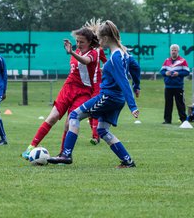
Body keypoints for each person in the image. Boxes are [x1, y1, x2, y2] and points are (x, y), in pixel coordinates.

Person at [47, 20, 141, 168]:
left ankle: (66, 154)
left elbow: (123, 80)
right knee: (102, 130)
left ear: (105, 38)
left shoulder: (116, 56)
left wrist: (133, 105)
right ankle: (127, 161)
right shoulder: (124, 53)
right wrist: (137, 85)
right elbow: (136, 67)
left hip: (108, 97)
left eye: (98, 38)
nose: (97, 42)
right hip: (117, 99)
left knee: (74, 115)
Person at [21, 26, 100, 159]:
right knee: (52, 117)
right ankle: (30, 148)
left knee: (69, 122)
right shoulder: (75, 51)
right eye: (77, 41)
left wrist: (71, 53)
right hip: (68, 89)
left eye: (82, 42)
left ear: (90, 42)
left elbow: (86, 62)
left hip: (83, 92)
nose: (78, 44)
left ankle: (64, 154)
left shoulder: (93, 53)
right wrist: (73, 52)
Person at [160, 44, 190, 124]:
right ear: (170, 51)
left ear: (178, 51)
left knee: (180, 103)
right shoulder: (167, 60)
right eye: (172, 50)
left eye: (175, 50)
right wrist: (166, 73)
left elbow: (187, 72)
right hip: (168, 86)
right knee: (168, 104)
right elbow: (161, 71)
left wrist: (178, 73)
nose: (173, 51)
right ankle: (167, 120)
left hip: (178, 86)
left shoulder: (183, 61)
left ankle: (183, 119)